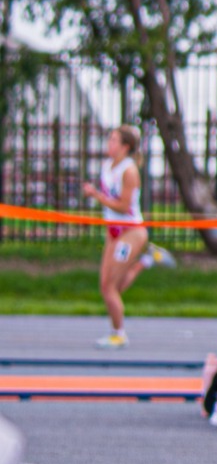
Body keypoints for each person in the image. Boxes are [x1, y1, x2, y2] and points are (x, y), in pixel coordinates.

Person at [80, 125, 151, 349]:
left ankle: (119, 334)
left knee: (111, 287)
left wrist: (96, 195)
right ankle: (145, 262)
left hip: (131, 232)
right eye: (109, 139)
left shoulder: (129, 171)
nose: (109, 144)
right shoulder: (107, 166)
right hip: (113, 232)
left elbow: (122, 206)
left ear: (125, 147)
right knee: (108, 286)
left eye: (113, 140)